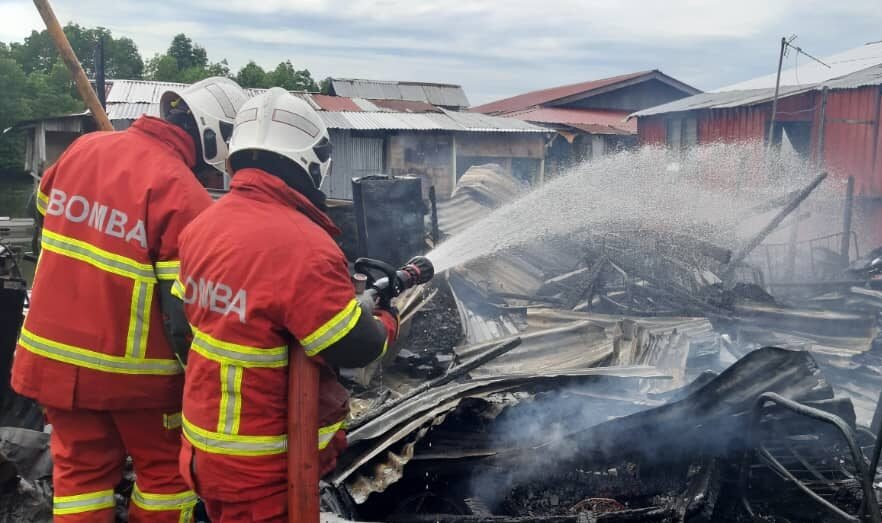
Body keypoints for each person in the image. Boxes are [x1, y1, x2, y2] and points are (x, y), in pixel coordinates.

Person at [11, 76, 248, 523]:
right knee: (166, 479)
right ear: (216, 135)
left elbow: (41, 224)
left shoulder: (82, 151)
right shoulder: (186, 195)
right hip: (137, 379)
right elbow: (184, 319)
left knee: (80, 479)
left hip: (53, 363)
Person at [174, 87, 397, 522]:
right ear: (311, 159)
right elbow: (355, 346)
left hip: (207, 447)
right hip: (263, 467)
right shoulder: (302, 244)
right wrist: (388, 319)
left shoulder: (205, 224)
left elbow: (189, 319)